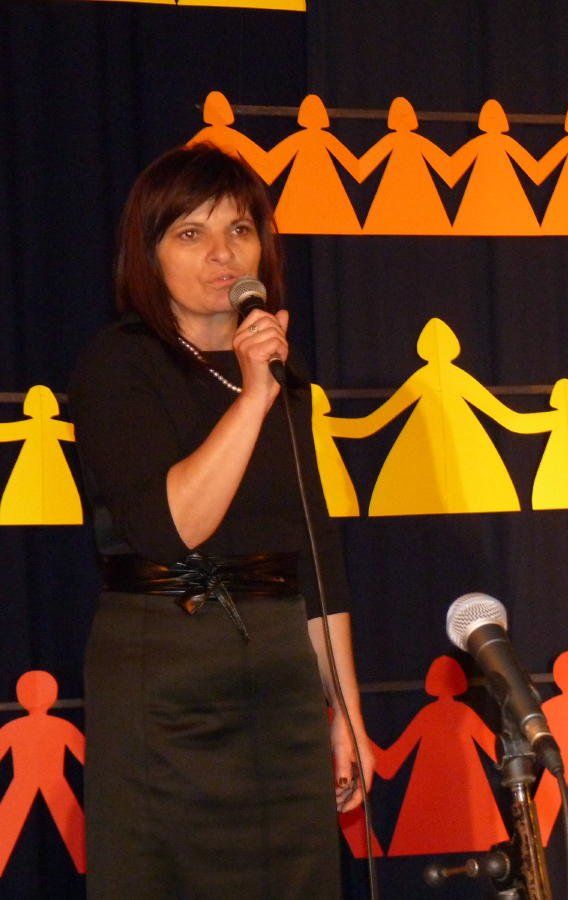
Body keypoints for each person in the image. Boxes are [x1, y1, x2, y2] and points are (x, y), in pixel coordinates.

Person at [69, 143, 374, 898]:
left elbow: (314, 548)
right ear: (149, 254)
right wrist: (252, 397)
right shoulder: (118, 364)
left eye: (238, 230)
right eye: (191, 233)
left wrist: (345, 713)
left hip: (278, 675)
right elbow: (172, 526)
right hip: (164, 673)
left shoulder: (282, 379)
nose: (222, 254)